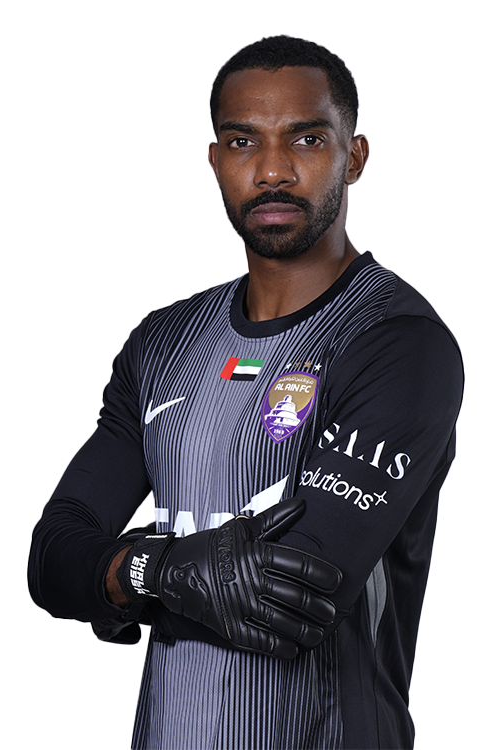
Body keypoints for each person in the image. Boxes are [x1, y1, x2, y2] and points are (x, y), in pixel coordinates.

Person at [27, 35, 464, 750]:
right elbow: (51, 557)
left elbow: (299, 596)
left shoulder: (399, 342)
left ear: (354, 157)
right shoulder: (162, 341)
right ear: (214, 161)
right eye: (242, 142)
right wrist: (166, 570)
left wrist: (122, 574)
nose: (271, 170)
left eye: (307, 139)